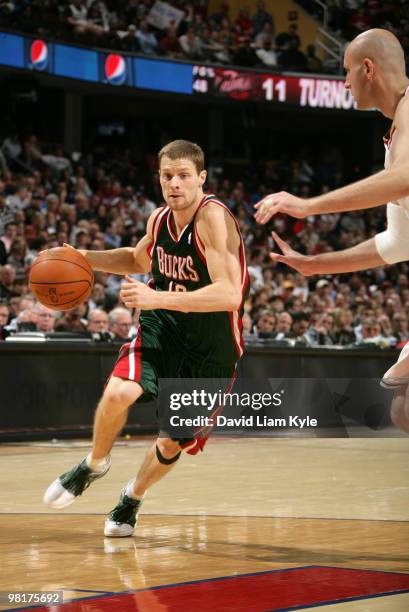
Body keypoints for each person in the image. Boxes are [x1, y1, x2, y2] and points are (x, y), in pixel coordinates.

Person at [44, 140, 249, 536]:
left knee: (172, 441)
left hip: (212, 348)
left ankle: (131, 497)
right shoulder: (159, 219)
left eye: (183, 176)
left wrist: (155, 295)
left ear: (201, 178)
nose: (174, 184)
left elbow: (230, 294)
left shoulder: (213, 218)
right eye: (167, 176)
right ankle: (93, 464)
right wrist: (83, 257)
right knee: (119, 393)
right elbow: (139, 260)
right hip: (164, 328)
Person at [254, 28, 409, 432]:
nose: (344, 82)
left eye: (346, 71)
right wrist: (314, 266)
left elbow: (404, 179)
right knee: (403, 410)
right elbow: (396, 242)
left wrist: (309, 206)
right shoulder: (397, 132)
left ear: (368, 68)